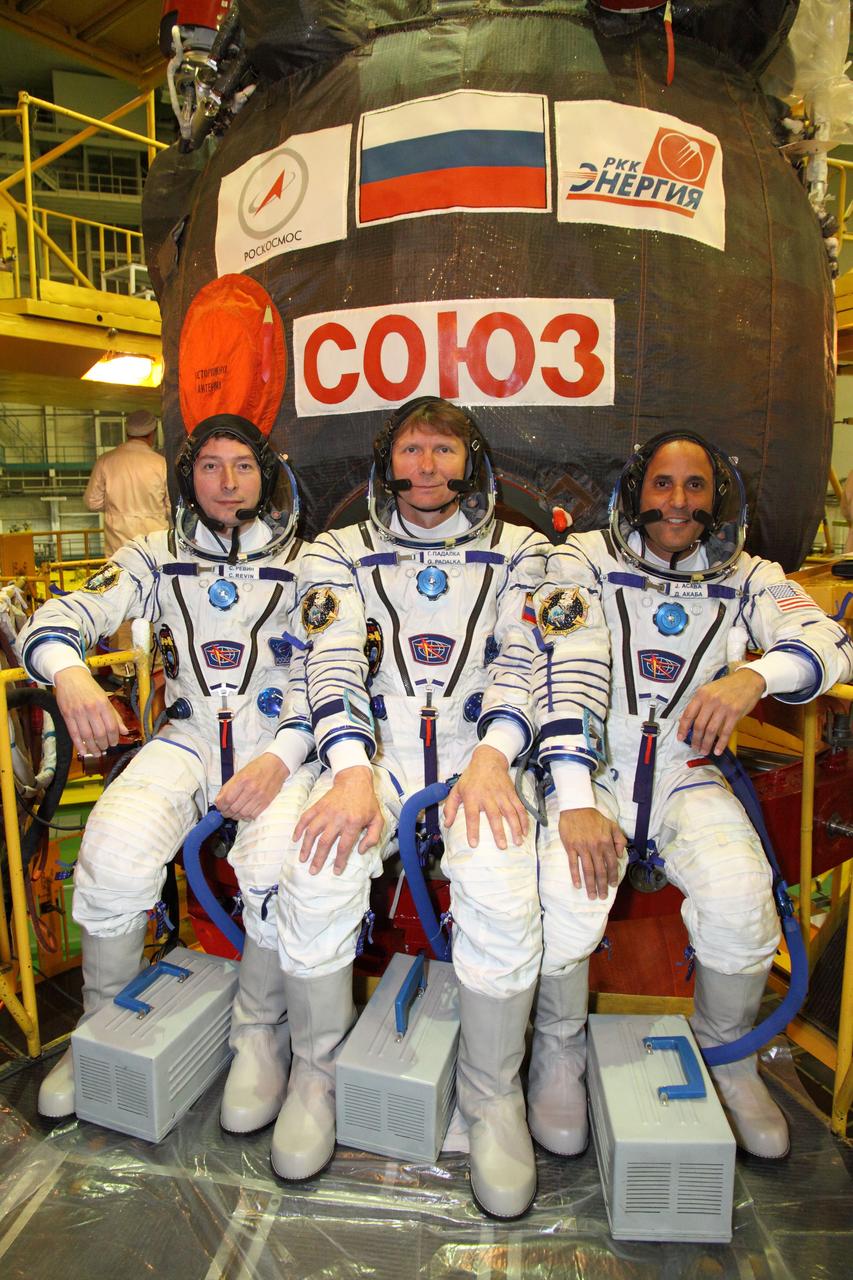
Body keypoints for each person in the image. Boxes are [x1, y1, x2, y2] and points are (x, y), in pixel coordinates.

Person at [532, 431, 853, 1160]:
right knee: (564, 890)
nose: (677, 503)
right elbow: (557, 663)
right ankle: (556, 1055)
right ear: (635, 492)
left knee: (740, 891)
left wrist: (754, 678)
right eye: (663, 486)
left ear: (716, 500)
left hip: (685, 768)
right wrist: (575, 788)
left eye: (694, 487)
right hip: (595, 766)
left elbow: (830, 641)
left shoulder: (746, 575)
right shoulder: (580, 559)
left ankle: (729, 1059)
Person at [271, 397, 548, 1219]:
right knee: (312, 865)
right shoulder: (336, 552)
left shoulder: (524, 552)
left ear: (471, 461)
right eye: (411, 450)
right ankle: (314, 1074)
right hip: (377, 749)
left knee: (501, 884)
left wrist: (496, 755)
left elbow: (526, 660)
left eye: (443, 449)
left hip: (479, 756)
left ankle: (493, 1099)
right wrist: (350, 768)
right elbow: (330, 663)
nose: (426, 466)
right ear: (386, 463)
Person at [18, 413, 316, 1134]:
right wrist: (70, 675)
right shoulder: (154, 554)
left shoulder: (313, 563)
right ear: (187, 478)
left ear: (266, 476)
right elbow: (61, 613)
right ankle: (104, 1034)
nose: (226, 482)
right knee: (112, 849)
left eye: (241, 466)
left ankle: (258, 1037)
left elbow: (335, 674)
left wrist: (281, 756)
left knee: (275, 868)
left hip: (280, 745)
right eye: (210, 466)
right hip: (186, 739)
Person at [83, 409, 171, 557]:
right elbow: (171, 508)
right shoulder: (162, 464)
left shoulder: (106, 460)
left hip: (118, 547)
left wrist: (116, 507)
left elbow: (92, 502)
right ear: (152, 434)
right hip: (155, 545)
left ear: (127, 432)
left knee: (120, 578)